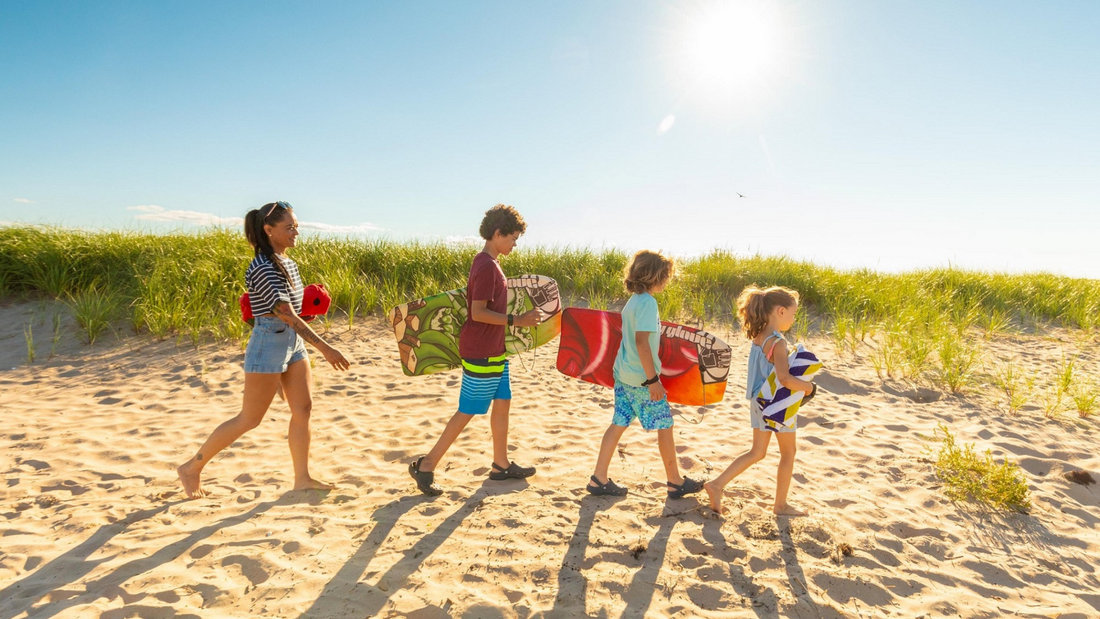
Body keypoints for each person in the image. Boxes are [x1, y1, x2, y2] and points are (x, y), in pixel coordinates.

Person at [177, 201, 351, 499]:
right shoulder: (261, 267)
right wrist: (325, 348)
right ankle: (191, 468)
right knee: (250, 418)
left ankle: (302, 478)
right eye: (289, 227)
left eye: (296, 226)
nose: (296, 232)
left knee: (303, 409)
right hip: (268, 342)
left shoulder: (288, 262)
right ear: (269, 230)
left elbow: (295, 311)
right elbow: (285, 313)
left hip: (291, 343)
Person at [409, 204, 544, 496]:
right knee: (468, 410)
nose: (515, 244)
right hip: (481, 350)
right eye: (513, 238)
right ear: (498, 233)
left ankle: (500, 464)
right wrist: (516, 320)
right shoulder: (485, 266)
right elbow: (478, 312)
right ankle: (426, 465)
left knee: (503, 401)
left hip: (495, 350)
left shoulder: (491, 263)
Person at [586, 250, 704, 499]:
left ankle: (599, 478)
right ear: (656, 276)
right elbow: (641, 343)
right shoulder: (648, 303)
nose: (668, 280)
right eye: (666, 276)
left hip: (624, 375)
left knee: (619, 422)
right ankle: (674, 482)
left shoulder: (634, 301)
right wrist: (653, 381)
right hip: (641, 379)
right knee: (665, 425)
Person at [704, 285, 813, 516]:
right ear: (781, 311)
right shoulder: (778, 342)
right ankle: (781, 505)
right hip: (777, 402)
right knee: (788, 453)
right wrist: (807, 387)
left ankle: (716, 485)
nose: (793, 319)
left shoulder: (759, 337)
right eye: (793, 314)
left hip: (758, 401)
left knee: (757, 452)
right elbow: (784, 379)